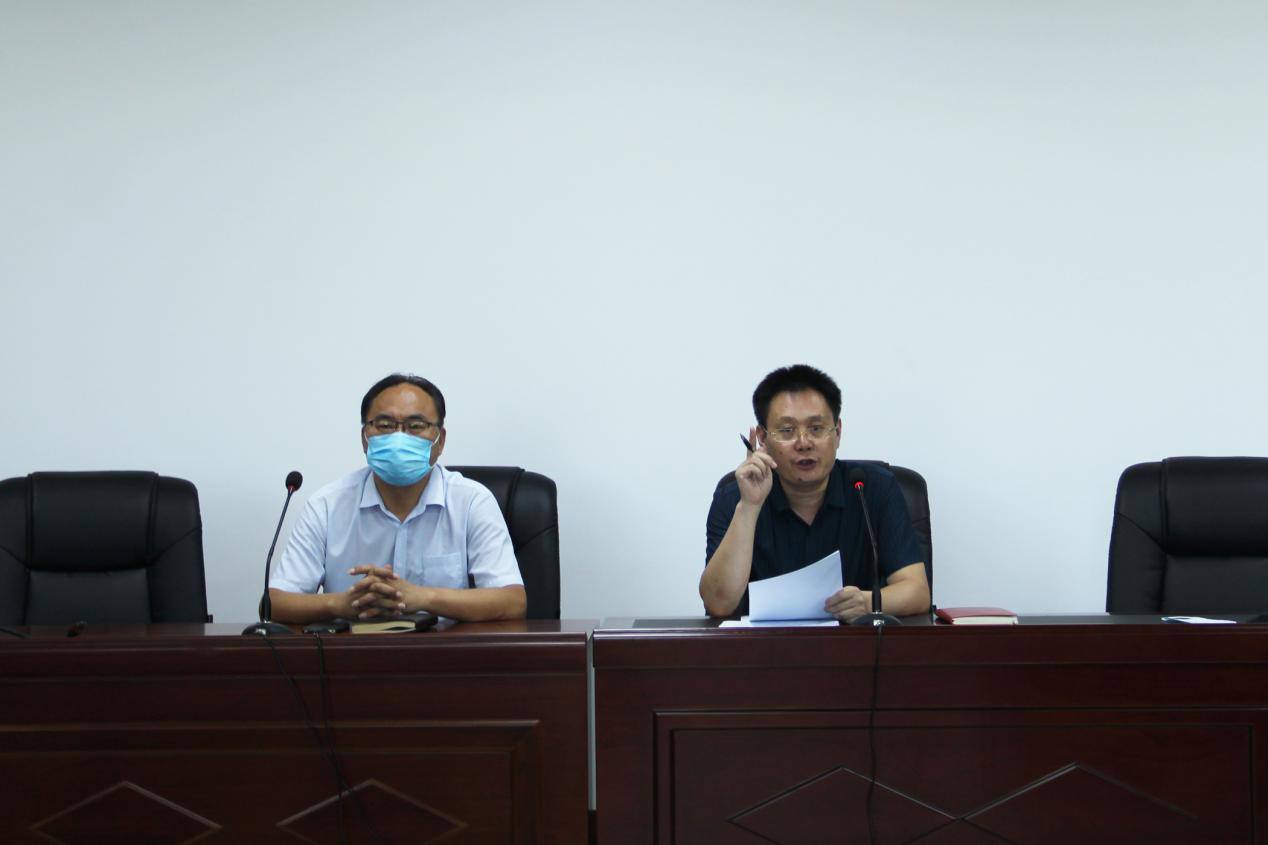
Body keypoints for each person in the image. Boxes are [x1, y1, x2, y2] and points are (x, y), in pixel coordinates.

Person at [269, 373, 527, 623]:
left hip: (445, 650)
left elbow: (512, 601)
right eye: (385, 426)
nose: (399, 437)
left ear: (440, 441)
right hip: (353, 649)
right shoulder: (327, 505)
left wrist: (423, 597)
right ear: (364, 438)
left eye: (416, 426)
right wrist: (343, 603)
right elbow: (274, 603)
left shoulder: (472, 502)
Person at [700, 364, 929, 621]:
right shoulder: (735, 498)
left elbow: (917, 592)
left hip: (854, 643)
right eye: (787, 431)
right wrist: (749, 507)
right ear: (762, 438)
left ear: (838, 432)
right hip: (764, 644)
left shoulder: (872, 489)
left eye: (816, 428)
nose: (804, 443)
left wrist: (865, 602)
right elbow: (718, 605)